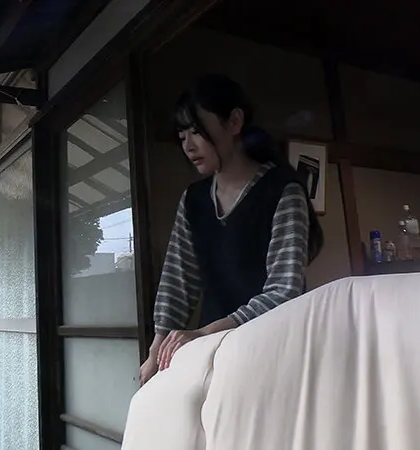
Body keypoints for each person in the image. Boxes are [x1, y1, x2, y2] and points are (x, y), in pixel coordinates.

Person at [139, 74, 324, 385]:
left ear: (235, 121)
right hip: (215, 355)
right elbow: (177, 281)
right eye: (182, 136)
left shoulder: (282, 191)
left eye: (197, 131)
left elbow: (284, 290)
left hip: (273, 347)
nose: (188, 146)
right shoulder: (194, 199)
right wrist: (156, 350)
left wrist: (203, 332)